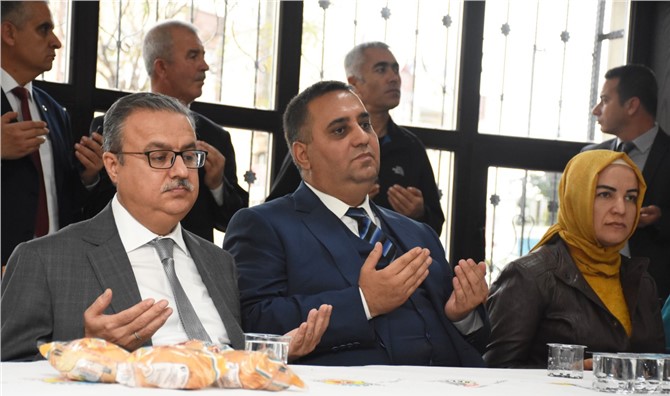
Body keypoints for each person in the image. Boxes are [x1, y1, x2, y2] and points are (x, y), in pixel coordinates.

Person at [1, 92, 330, 362]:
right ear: (113, 166)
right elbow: (10, 373)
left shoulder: (219, 262)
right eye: (159, 157)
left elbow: (224, 358)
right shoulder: (45, 259)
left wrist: (272, 353)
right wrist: (85, 351)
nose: (181, 172)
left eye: (189, 156)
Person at [223, 80, 489, 367]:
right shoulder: (263, 225)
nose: (362, 138)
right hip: (344, 389)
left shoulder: (419, 232)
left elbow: (476, 342)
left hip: (452, 385)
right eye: (340, 130)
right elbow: (255, 322)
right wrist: (364, 302)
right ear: (303, 154)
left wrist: (462, 315)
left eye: (365, 124)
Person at [485, 150, 665, 369]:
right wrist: (570, 372)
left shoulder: (641, 280)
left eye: (631, 198)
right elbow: (497, 372)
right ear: (577, 198)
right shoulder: (529, 276)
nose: (621, 209)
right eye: (605, 194)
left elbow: (659, 371)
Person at [86, 20, 248, 240]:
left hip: (190, 257)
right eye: (193, 56)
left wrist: (217, 185)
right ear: (161, 67)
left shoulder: (216, 137)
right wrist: (90, 179)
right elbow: (88, 210)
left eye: (189, 156)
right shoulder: (109, 128)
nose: (204, 66)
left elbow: (235, 222)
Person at [266, 42, 445, 235]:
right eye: (381, 69)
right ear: (355, 82)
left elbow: (435, 225)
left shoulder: (409, 146)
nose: (394, 78)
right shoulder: (316, 140)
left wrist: (418, 213)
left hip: (394, 250)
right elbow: (277, 211)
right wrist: (343, 202)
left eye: (395, 69)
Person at [1, 1, 105, 265]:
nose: (56, 42)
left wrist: (88, 176)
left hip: (54, 265)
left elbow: (62, 200)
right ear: (9, 33)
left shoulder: (55, 111)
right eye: (43, 29)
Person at [583, 64, 670, 302]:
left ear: (632, 105)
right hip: (591, 288)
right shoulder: (590, 157)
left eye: (605, 100)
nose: (595, 110)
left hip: (655, 294)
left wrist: (661, 219)